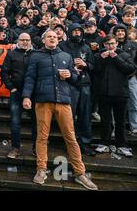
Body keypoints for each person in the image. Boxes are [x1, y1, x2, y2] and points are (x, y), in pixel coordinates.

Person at [22, 29, 98, 190]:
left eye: (55, 37)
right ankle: (41, 169)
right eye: (49, 36)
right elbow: (30, 78)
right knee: (42, 137)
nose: (52, 39)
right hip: (43, 101)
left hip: (63, 101)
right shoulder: (35, 56)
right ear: (43, 40)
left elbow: (77, 79)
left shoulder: (66, 56)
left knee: (70, 137)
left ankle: (80, 173)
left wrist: (70, 76)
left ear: (58, 40)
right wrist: (26, 96)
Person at [93, 35, 135, 157]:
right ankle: (104, 143)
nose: (110, 46)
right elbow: (94, 71)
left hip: (121, 93)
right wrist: (101, 59)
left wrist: (116, 58)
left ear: (117, 44)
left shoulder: (124, 55)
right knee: (105, 120)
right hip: (103, 93)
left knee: (120, 121)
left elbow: (130, 69)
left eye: (112, 43)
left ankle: (121, 145)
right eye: (107, 44)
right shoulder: (98, 56)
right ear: (104, 45)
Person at [59, 24, 96, 156]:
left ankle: (85, 143)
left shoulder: (86, 47)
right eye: (74, 31)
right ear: (69, 32)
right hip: (69, 84)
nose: (77, 33)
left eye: (79, 31)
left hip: (85, 84)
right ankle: (70, 143)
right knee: (69, 116)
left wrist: (85, 65)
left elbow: (93, 66)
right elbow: (58, 63)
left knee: (85, 115)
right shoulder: (62, 46)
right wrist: (70, 66)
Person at [0, 33, 36, 159]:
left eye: (27, 40)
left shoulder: (36, 54)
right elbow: (4, 72)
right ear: (18, 41)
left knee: (36, 121)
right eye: (23, 40)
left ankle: (36, 148)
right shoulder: (11, 54)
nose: (25, 42)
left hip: (34, 94)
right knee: (15, 121)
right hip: (17, 92)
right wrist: (12, 88)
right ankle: (15, 148)